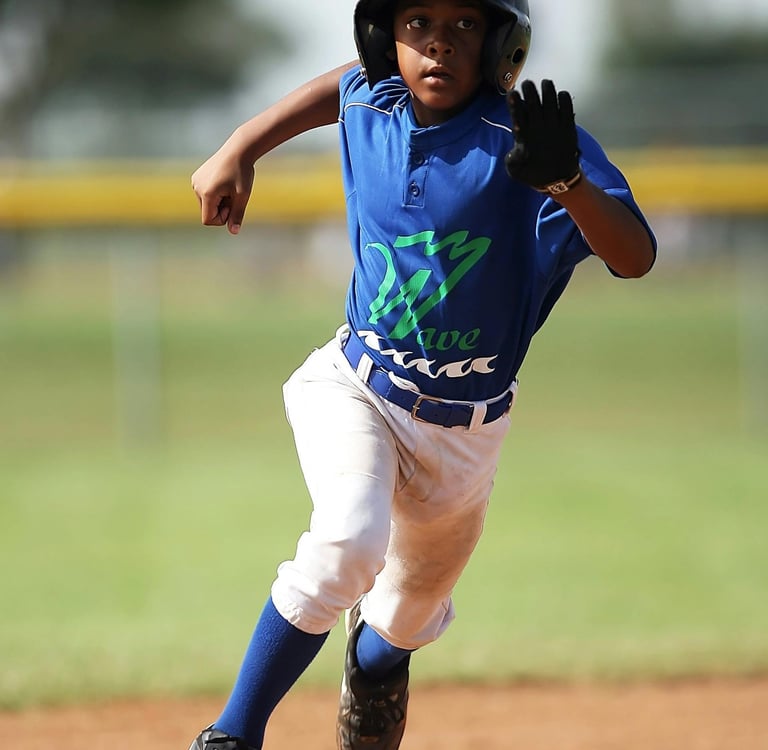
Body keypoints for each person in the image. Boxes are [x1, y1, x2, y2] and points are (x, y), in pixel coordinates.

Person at [188, 0, 657, 748]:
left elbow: (635, 257)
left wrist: (567, 182)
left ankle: (372, 665)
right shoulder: (372, 104)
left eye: (464, 25)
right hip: (357, 388)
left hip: (467, 433)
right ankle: (231, 734)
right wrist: (242, 144)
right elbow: (341, 85)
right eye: (416, 23)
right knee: (346, 543)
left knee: (402, 625)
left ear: (502, 42)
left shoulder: (527, 142)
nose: (438, 44)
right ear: (385, 37)